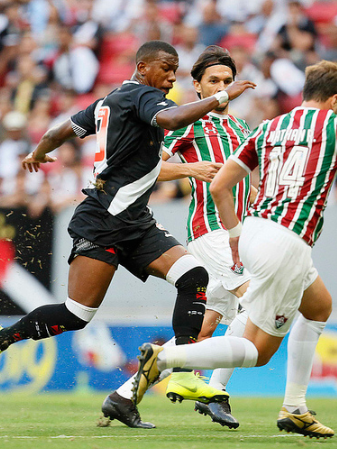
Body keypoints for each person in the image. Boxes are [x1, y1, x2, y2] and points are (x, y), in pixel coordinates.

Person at [132, 60, 337, 438]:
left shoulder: (271, 127)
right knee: (256, 351)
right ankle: (167, 358)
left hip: (256, 231)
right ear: (336, 99)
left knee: (319, 305)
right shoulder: (335, 124)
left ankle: (295, 406)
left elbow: (222, 184)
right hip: (287, 242)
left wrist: (238, 237)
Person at [0, 41, 255, 404]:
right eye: (165, 68)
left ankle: (182, 373)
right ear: (143, 67)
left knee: (194, 276)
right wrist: (222, 97)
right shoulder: (143, 98)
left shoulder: (108, 101)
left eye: (175, 69)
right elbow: (173, 120)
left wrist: (38, 153)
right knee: (76, 314)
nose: (170, 77)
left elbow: (59, 132)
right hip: (101, 220)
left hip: (136, 221)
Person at [101, 45, 255, 430]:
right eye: (214, 81)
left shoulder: (241, 129)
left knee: (203, 330)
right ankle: (217, 393)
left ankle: (124, 395)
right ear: (199, 87)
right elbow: (149, 168)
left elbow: (249, 186)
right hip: (211, 232)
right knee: (260, 304)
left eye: (227, 80)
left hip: (239, 236)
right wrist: (192, 169)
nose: (222, 86)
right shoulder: (187, 123)